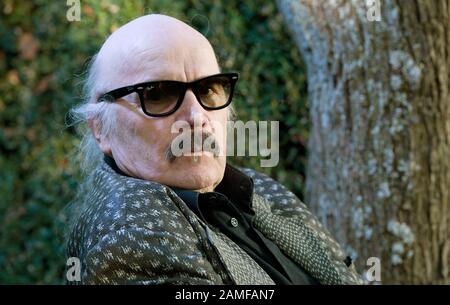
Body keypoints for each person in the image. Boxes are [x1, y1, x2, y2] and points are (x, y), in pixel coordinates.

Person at [66, 14, 363, 285]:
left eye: (208, 89)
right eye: (158, 95)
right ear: (101, 129)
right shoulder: (127, 233)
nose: (197, 118)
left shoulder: (261, 190)